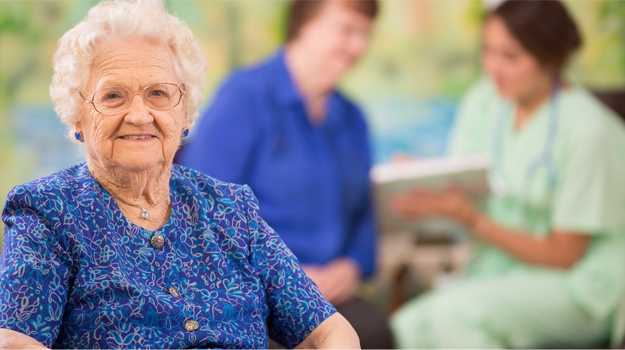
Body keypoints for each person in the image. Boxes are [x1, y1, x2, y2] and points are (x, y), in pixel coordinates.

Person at [0, 1, 359, 348]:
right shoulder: (48, 213)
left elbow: (329, 332)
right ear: (77, 116)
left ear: (185, 114)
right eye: (113, 96)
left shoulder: (231, 211)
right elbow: (15, 342)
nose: (140, 115)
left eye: (158, 93)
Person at [390, 0, 625, 348]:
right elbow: (461, 178)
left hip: (580, 283)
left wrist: (475, 221)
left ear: (550, 58)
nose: (493, 69)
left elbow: (565, 254)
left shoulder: (591, 132)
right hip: (506, 269)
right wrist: (421, 179)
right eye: (487, 52)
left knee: (454, 316)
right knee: (406, 326)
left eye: (511, 57)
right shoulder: (486, 101)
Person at [176, 0, 394, 348]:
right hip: (253, 293)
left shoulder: (353, 119)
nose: (359, 46)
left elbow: (365, 223)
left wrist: (351, 267)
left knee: (376, 332)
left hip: (331, 296)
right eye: (348, 30)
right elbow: (197, 213)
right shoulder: (244, 97)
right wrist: (287, 278)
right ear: (305, 24)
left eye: (366, 34)